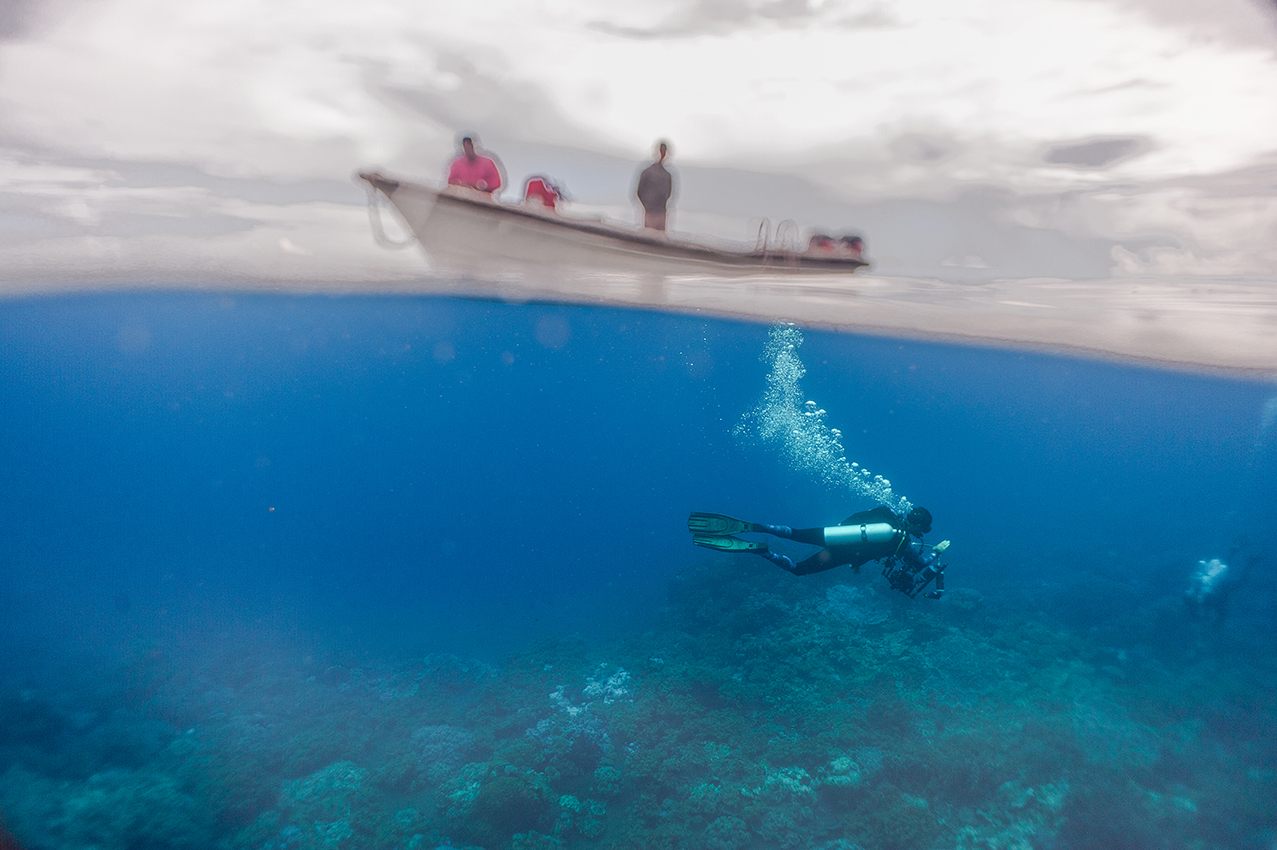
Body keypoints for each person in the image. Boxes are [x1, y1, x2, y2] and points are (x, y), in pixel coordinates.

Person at [688, 505, 950, 599]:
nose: (920, 534)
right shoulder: (902, 543)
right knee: (798, 570)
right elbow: (918, 566)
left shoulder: (885, 511)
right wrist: (935, 553)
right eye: (922, 530)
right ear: (917, 525)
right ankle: (761, 552)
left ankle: (757, 527)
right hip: (841, 555)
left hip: (833, 535)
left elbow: (857, 518)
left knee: (794, 532)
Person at [636, 140, 674, 231]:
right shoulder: (648, 173)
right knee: (649, 234)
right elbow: (640, 192)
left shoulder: (667, 175)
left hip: (661, 212)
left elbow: (668, 194)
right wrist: (647, 207)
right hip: (650, 213)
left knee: (659, 237)